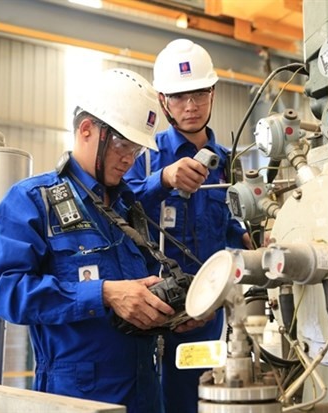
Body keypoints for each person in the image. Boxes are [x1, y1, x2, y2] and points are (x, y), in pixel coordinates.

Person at [0, 68, 175, 413]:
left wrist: (171, 310)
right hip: (76, 397)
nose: (129, 159)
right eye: (122, 145)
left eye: (136, 149)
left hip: (145, 390)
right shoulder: (31, 200)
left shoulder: (128, 206)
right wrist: (103, 293)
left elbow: (141, 289)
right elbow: (6, 290)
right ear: (87, 130)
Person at [123, 39, 252, 413]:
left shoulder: (229, 162)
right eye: (179, 97)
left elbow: (228, 222)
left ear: (213, 93)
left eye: (198, 94)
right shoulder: (146, 156)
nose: (191, 106)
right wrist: (162, 180)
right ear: (163, 102)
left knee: (200, 400)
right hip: (156, 311)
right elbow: (115, 206)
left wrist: (246, 237)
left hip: (210, 312)